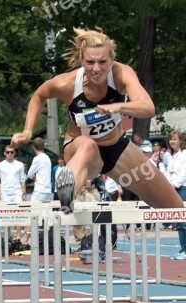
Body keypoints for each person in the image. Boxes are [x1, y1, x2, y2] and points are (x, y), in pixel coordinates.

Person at [11, 27, 181, 214]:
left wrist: (119, 107)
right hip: (80, 152)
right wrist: (27, 130)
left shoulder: (121, 73)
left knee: (175, 209)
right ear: (82, 60)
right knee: (88, 145)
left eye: (102, 62)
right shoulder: (67, 84)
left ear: (112, 60)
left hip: (118, 149)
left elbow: (148, 107)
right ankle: (68, 198)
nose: (96, 69)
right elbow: (39, 95)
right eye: (90, 62)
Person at [166, 130, 186, 259]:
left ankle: (185, 249)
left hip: (182, 188)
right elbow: (169, 172)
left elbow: (184, 173)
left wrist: (175, 185)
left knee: (183, 220)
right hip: (172, 189)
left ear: (180, 140)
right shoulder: (171, 156)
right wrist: (168, 185)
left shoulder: (184, 154)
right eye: (171, 140)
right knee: (178, 221)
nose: (172, 142)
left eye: (175, 139)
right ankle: (183, 248)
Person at [27, 137, 53, 202]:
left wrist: (34, 177)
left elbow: (29, 174)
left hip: (39, 191)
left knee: (33, 210)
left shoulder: (37, 159)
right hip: (48, 191)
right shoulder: (47, 158)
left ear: (34, 147)